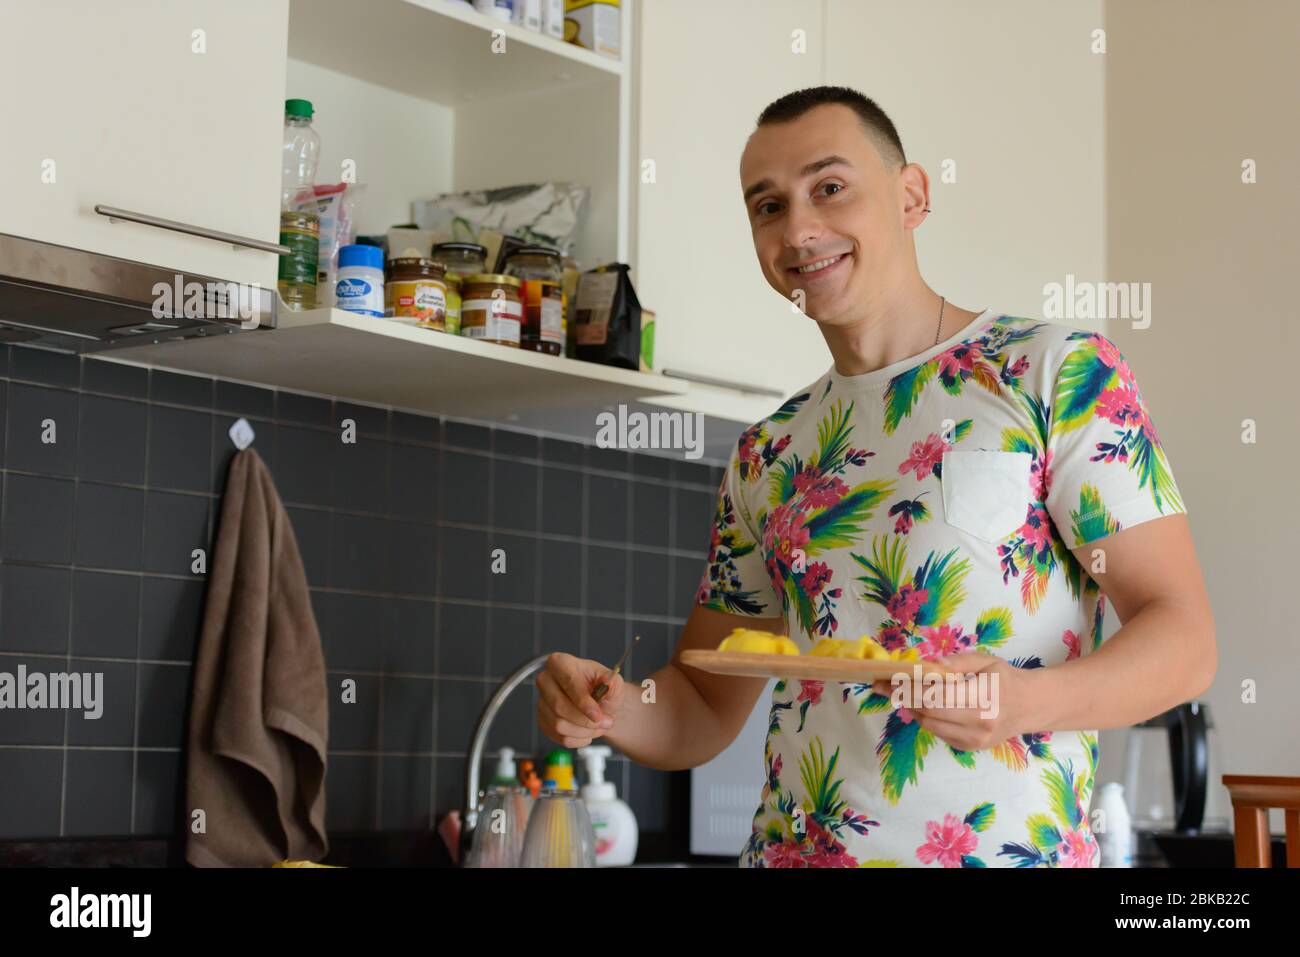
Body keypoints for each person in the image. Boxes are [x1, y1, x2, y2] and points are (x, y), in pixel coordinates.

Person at [536, 86, 1216, 867]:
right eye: (767, 205)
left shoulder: (1055, 374)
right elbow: (701, 705)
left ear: (911, 195)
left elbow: (1184, 638)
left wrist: (1018, 702)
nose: (798, 228)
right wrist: (616, 706)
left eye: (829, 187)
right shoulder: (770, 451)